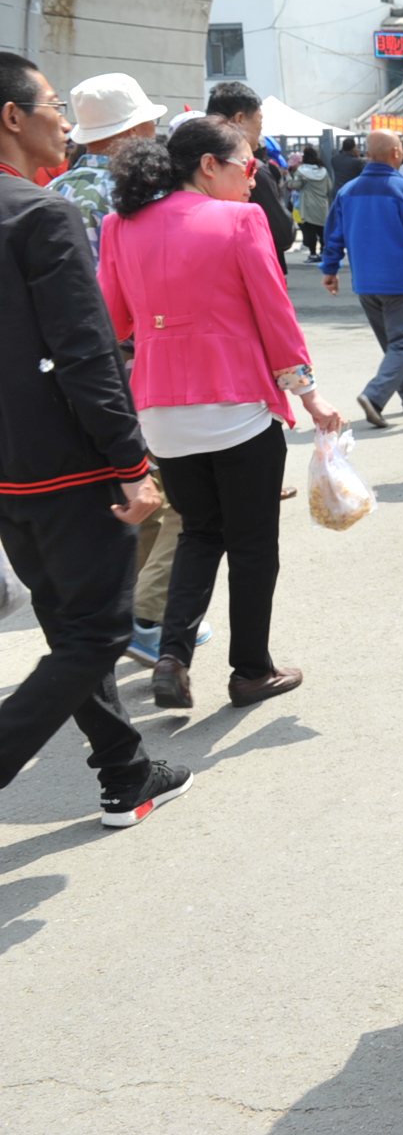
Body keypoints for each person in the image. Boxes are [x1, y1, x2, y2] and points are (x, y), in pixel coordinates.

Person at [0, 51, 190, 828]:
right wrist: (131, 461)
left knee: (65, 621)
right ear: (13, 116)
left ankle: (125, 771)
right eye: (52, 104)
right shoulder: (40, 214)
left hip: (10, 472)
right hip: (66, 464)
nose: (63, 122)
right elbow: (86, 352)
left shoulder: (41, 205)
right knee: (101, 630)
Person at [99, 116, 343, 710]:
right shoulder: (240, 220)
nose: (253, 178)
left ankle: (173, 656)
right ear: (210, 166)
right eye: (247, 166)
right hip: (235, 404)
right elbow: (275, 316)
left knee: (199, 533)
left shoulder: (119, 225)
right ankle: (251, 670)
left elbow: (115, 320)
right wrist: (308, 393)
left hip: (160, 411)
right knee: (253, 544)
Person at [321, 130, 403, 427]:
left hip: (364, 282)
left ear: (368, 155)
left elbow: (333, 235)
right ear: (396, 153)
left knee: (393, 345)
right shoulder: (402, 190)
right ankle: (374, 396)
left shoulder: (348, 191)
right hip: (398, 280)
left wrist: (330, 270)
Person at [48, 72, 165, 258]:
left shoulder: (52, 189)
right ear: (134, 130)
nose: (154, 131)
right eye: (152, 121)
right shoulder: (141, 190)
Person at [206, 82, 296, 261]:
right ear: (240, 119)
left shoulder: (188, 161)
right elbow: (283, 234)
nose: (261, 129)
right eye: (259, 121)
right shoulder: (251, 170)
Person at [291, 145, 334, 261]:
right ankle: (323, 253)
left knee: (310, 230)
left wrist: (288, 178)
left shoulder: (301, 171)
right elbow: (329, 187)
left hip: (307, 204)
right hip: (322, 204)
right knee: (322, 230)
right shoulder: (323, 171)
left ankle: (312, 254)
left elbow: (295, 185)